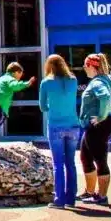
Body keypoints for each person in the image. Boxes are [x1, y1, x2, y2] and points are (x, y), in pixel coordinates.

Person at [39, 54, 80, 208]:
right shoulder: (73, 80)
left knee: (58, 164)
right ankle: (71, 199)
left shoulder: (46, 82)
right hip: (73, 125)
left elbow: (43, 107)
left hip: (56, 126)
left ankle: (59, 199)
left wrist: (53, 107)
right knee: (71, 163)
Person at [79, 53, 111, 206]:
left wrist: (101, 117)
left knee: (100, 160)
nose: (84, 68)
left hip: (99, 125)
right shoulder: (101, 80)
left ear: (92, 67)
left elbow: (105, 97)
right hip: (96, 125)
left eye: (85, 65)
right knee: (85, 157)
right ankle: (90, 192)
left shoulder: (97, 83)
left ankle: (102, 196)